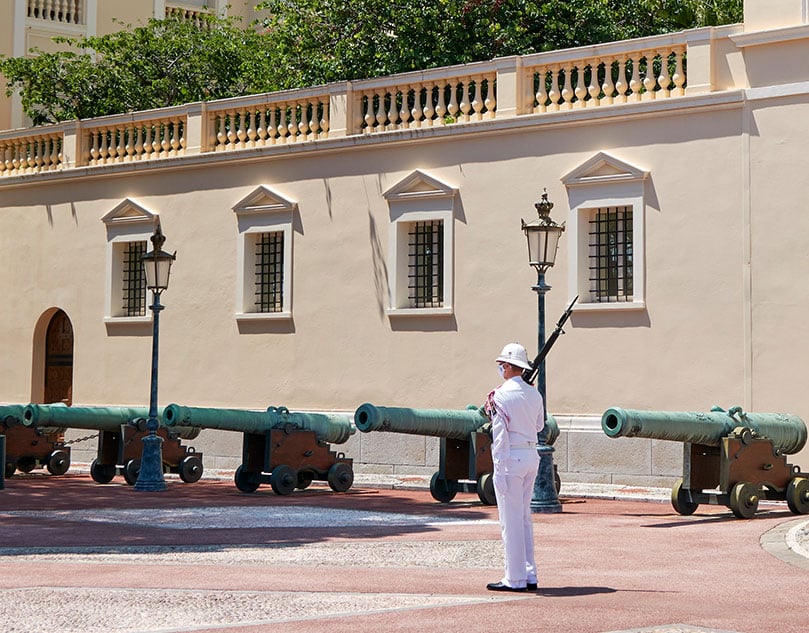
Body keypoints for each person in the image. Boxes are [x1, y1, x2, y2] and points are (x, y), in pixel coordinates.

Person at [484, 342, 544, 593]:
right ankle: (529, 574)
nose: (500, 369)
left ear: (508, 366)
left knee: (510, 520)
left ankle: (515, 578)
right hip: (532, 455)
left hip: (511, 458)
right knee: (523, 518)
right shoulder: (534, 394)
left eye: (501, 365)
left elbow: (499, 436)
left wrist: (498, 466)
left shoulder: (500, 395)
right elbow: (540, 426)